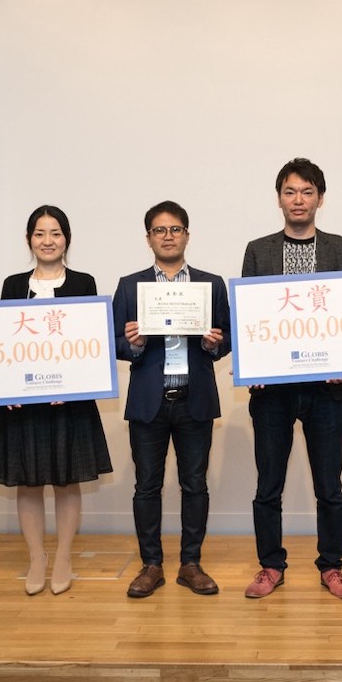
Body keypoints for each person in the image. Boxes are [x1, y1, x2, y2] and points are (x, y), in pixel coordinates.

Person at [240, 158, 342, 600]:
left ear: (320, 199)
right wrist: (252, 363)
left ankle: (332, 566)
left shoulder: (340, 249)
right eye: (290, 192)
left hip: (326, 391)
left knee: (329, 484)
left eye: (307, 192)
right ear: (279, 199)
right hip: (273, 391)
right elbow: (250, 316)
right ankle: (270, 565)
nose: (298, 200)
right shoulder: (259, 250)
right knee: (267, 484)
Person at [0, 206, 113, 596]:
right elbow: (2, 340)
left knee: (66, 480)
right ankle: (36, 556)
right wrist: (5, 389)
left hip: (67, 404)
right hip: (22, 406)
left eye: (55, 233)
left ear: (66, 239)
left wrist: (71, 385)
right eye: (39, 234)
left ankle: (64, 556)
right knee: (28, 482)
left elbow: (89, 343)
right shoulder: (12, 284)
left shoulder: (83, 282)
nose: (47, 241)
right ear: (29, 240)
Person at [112, 201, 231, 598]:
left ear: (187, 235)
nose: (168, 236)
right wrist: (134, 344)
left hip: (194, 397)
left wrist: (215, 345)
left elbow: (228, 337)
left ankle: (191, 564)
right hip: (149, 399)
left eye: (175, 229)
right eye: (159, 230)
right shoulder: (130, 286)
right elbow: (114, 343)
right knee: (147, 485)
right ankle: (151, 565)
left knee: (194, 484)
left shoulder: (211, 284)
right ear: (148, 238)